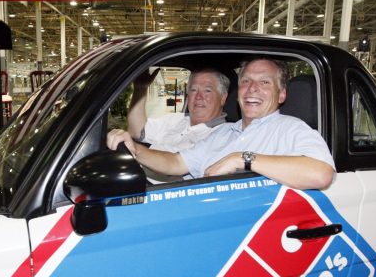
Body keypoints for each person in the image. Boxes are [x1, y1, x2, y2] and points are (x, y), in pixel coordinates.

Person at [107, 57, 335, 190]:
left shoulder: (290, 128)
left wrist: (242, 158)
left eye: (264, 82)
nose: (253, 89)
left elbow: (321, 174)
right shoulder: (226, 132)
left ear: (282, 94)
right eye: (246, 81)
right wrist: (135, 149)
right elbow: (176, 162)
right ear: (239, 92)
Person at [110, 67, 230, 153]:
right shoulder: (177, 119)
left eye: (207, 90)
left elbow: (176, 164)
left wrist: (136, 149)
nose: (198, 96)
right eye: (193, 90)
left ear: (223, 98)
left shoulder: (224, 135)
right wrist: (141, 88)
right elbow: (137, 132)